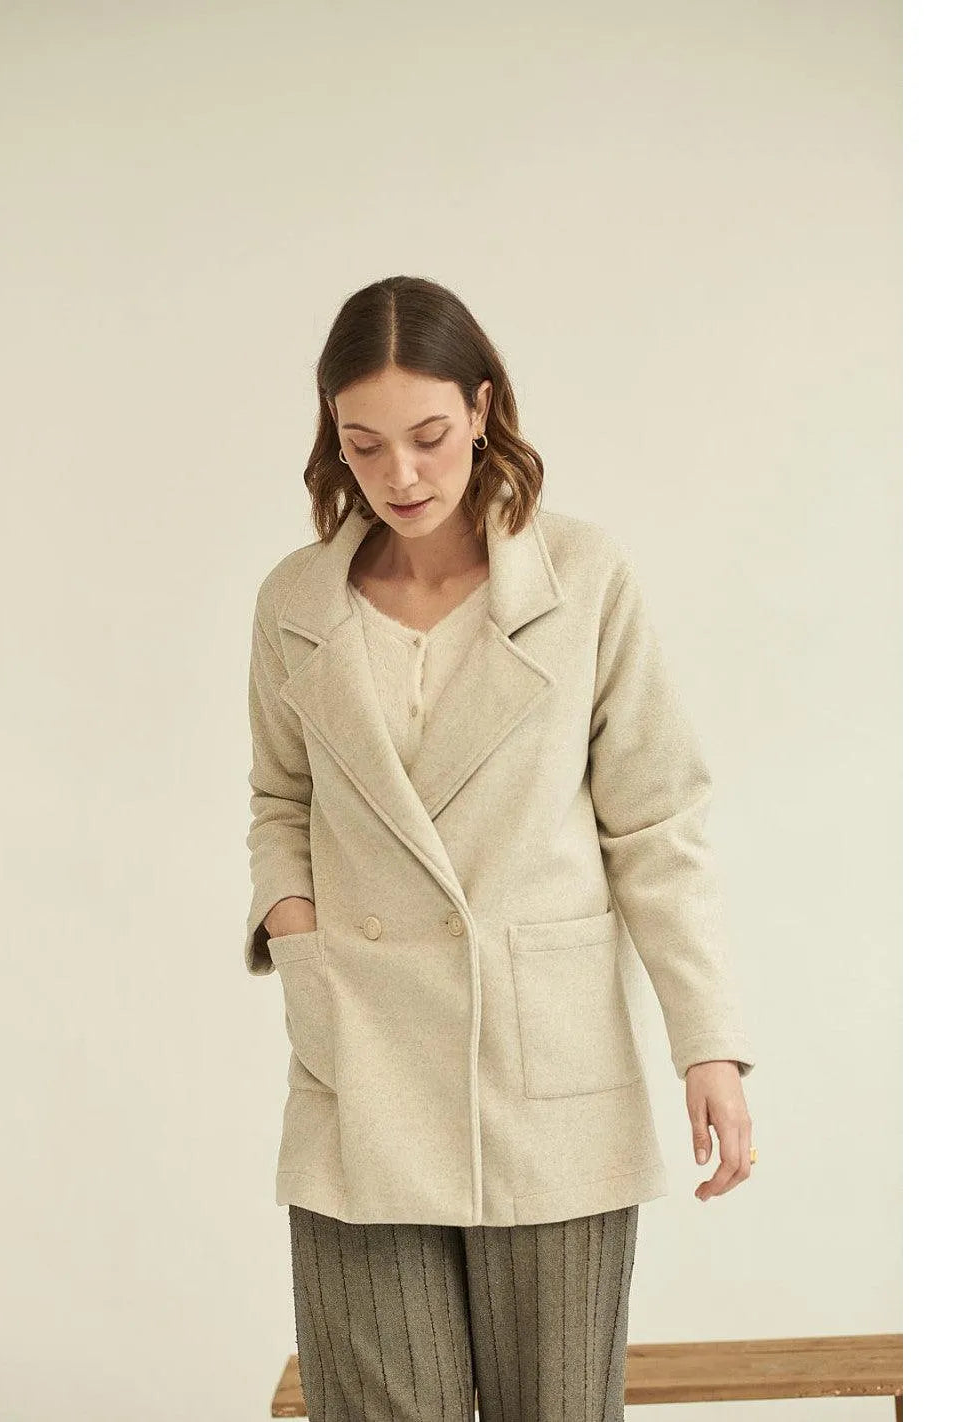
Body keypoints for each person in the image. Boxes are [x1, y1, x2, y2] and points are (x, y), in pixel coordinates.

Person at [245, 275, 757, 1422]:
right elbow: (279, 796)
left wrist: (708, 1046)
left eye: (428, 435)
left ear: (482, 408)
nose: (399, 475)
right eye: (363, 445)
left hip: (545, 1065)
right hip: (360, 1063)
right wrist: (297, 927)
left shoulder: (581, 580)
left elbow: (654, 823)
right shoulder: (294, 603)